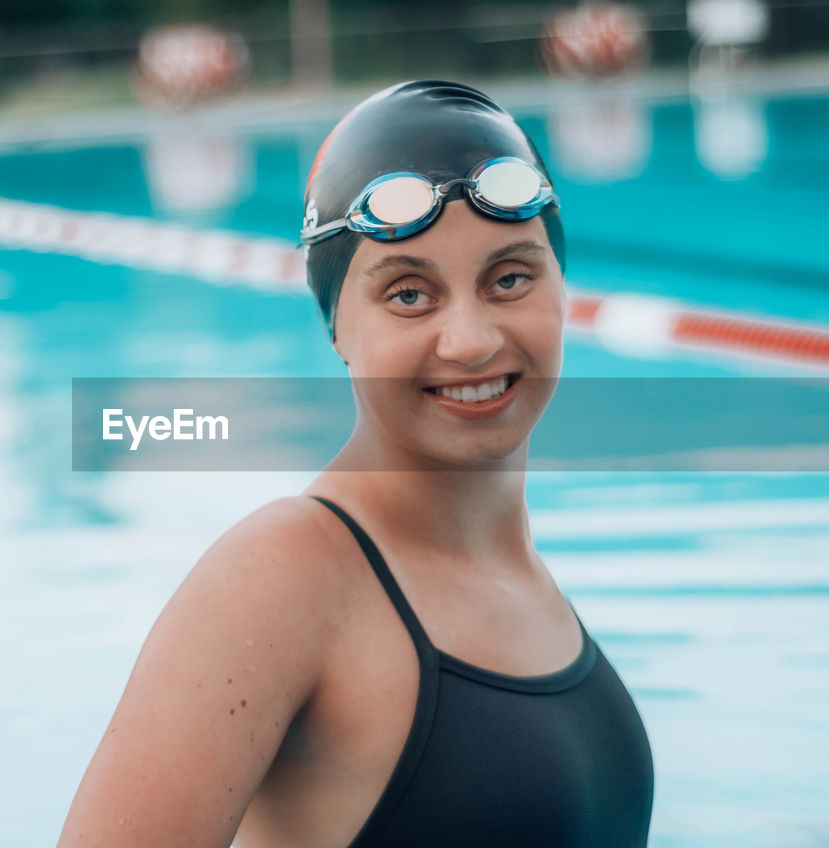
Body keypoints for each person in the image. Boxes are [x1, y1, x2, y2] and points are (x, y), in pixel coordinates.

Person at [58, 80, 655, 847]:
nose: (470, 339)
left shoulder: (517, 571)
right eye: (410, 294)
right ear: (337, 325)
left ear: (562, 292)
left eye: (510, 278)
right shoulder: (285, 577)